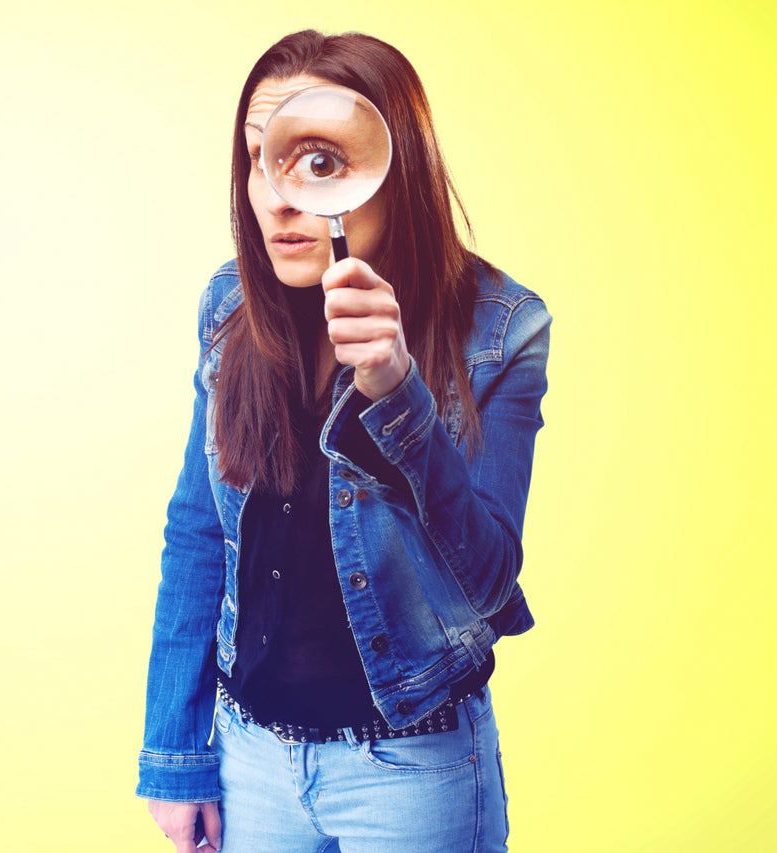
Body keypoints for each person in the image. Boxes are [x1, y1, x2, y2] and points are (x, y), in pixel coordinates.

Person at [137, 29, 550, 853]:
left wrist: (399, 395)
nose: (277, 198)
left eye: (318, 161)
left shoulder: (502, 328)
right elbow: (197, 535)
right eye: (258, 160)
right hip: (252, 758)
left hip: (414, 765)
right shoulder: (229, 307)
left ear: (398, 169)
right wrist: (176, 756)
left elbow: (489, 582)